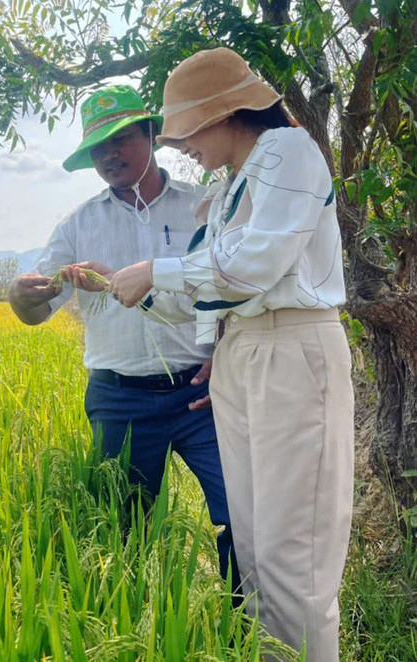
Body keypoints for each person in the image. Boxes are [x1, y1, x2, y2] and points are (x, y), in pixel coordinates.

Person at [100, 49, 353, 661]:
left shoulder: (287, 152)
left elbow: (258, 265)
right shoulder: (228, 185)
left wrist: (156, 271)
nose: (180, 144)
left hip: (291, 347)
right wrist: (134, 289)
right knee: (257, 549)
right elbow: (208, 296)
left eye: (185, 129)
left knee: (296, 555)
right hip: (245, 356)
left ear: (224, 113)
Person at [8, 84, 241, 592]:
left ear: (153, 136)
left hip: (205, 393)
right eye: (99, 147)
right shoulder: (77, 226)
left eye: (122, 139)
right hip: (121, 400)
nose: (111, 154)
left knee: (241, 513)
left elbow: (237, 290)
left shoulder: (205, 207)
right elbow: (35, 308)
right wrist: (20, 296)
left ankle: (243, 626)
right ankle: (137, 623)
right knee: (125, 530)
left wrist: (224, 353)